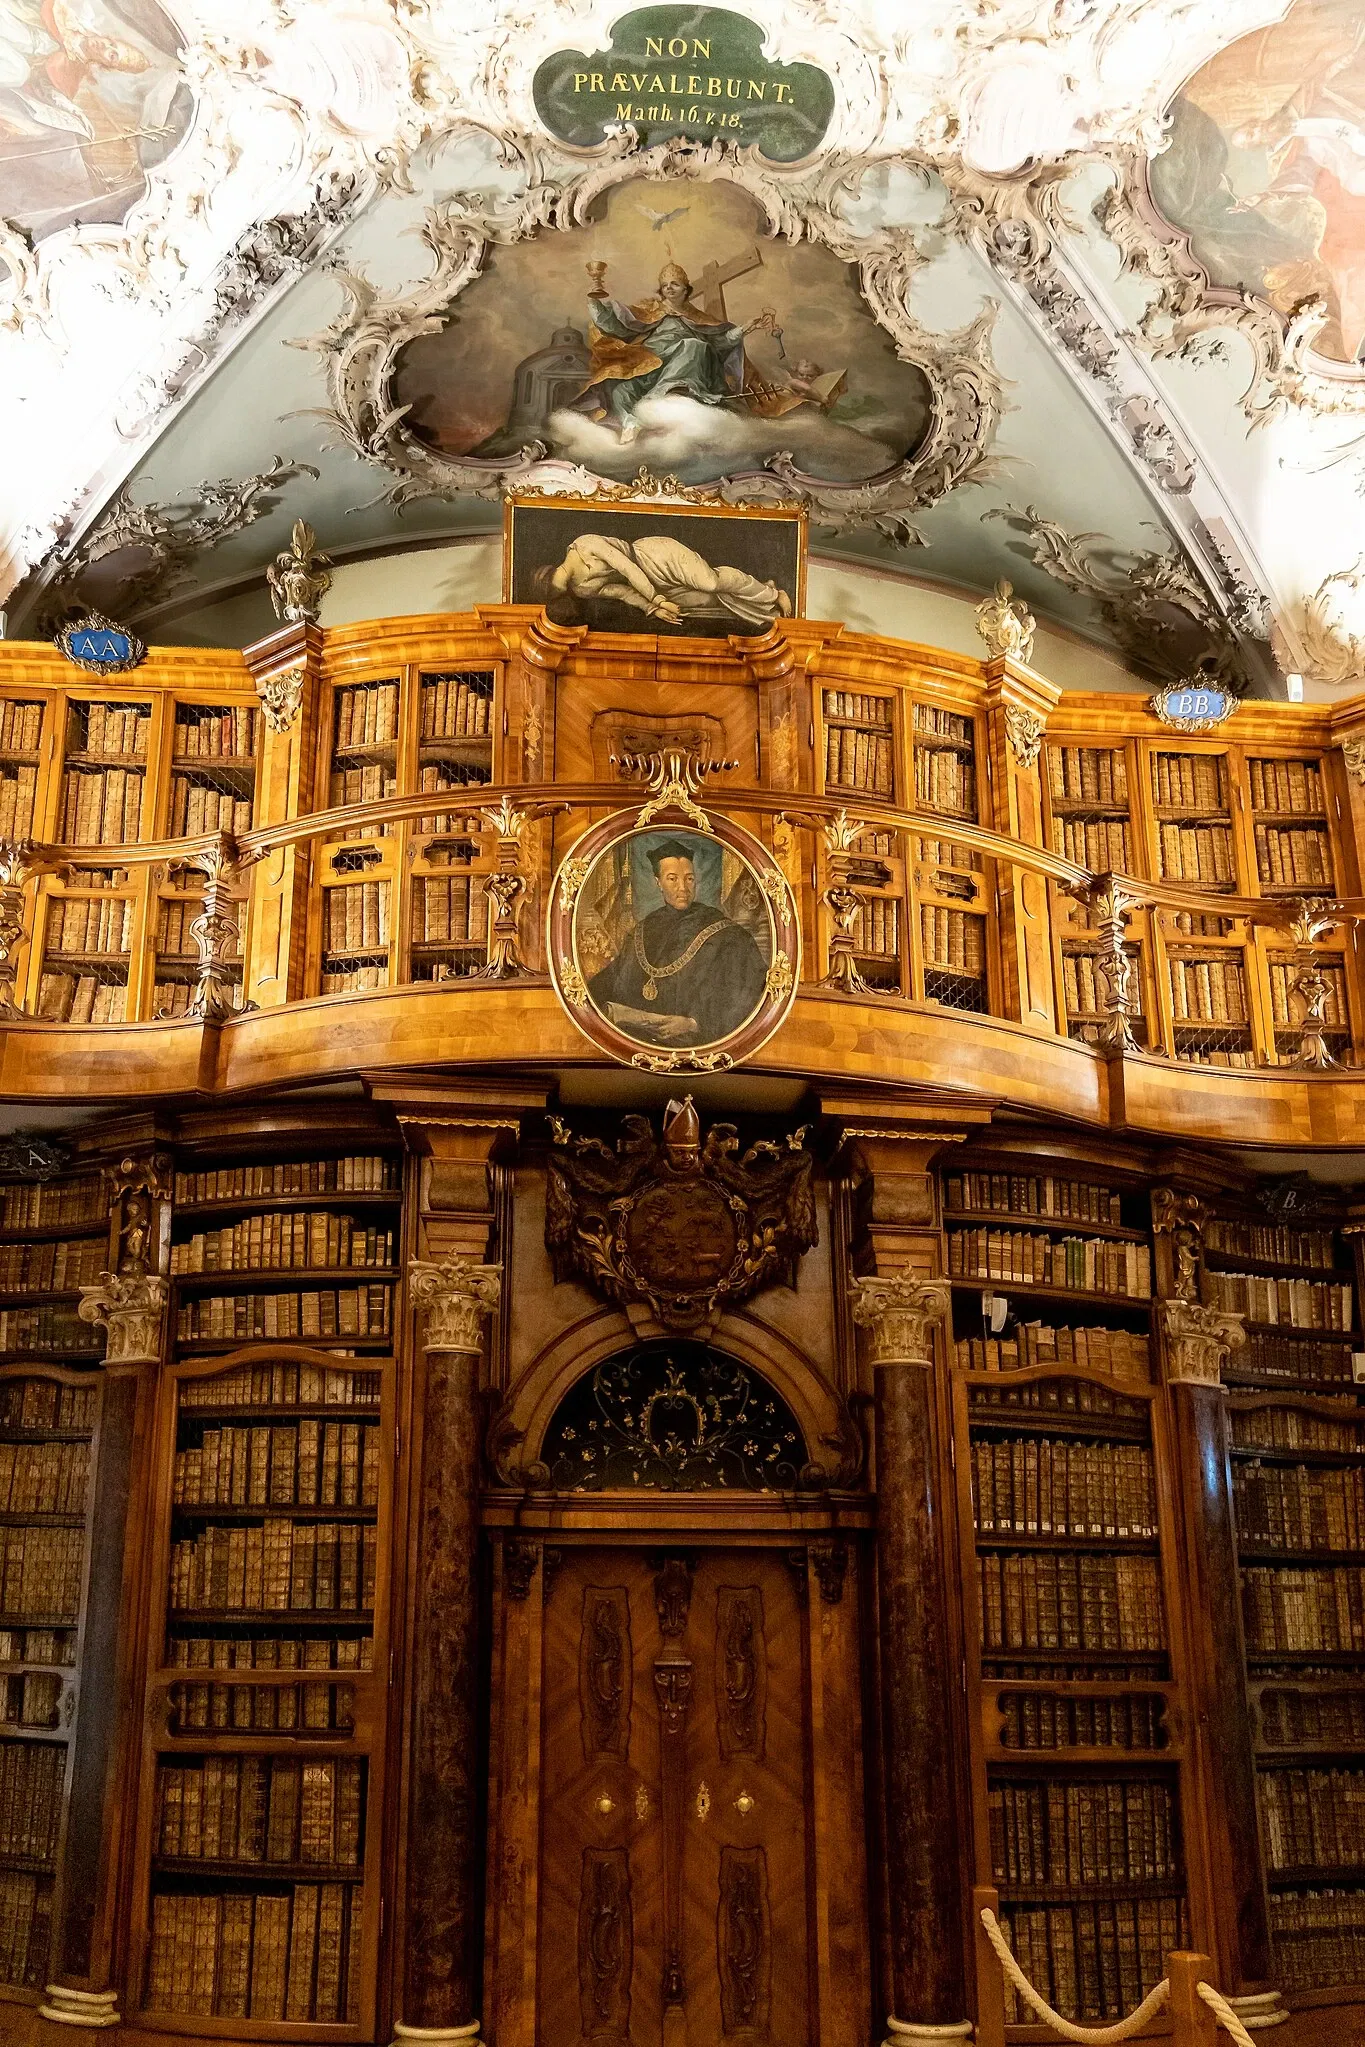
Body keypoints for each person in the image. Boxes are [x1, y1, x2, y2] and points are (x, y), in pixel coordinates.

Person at [588, 840, 768, 1047]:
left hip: (696, 1045)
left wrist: (694, 1023)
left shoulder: (728, 935)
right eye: (672, 879)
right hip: (637, 1042)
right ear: (658, 882)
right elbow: (616, 977)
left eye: (689, 879)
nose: (683, 888)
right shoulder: (642, 929)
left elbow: (746, 991)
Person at [581, 259, 777, 443]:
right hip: (653, 364)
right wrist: (594, 301)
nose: (669, 288)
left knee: (694, 346)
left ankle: (673, 392)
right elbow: (615, 325)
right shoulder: (650, 310)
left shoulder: (698, 318)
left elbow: (720, 344)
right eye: (665, 285)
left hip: (688, 366)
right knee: (621, 392)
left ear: (686, 289)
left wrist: (744, 329)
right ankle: (631, 424)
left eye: (674, 283)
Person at [532, 529, 792, 630]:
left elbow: (627, 567)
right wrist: (654, 607)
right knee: (706, 600)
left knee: (710, 582)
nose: (559, 586)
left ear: (551, 572)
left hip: (653, 555)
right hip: (650, 586)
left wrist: (656, 598)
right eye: (556, 590)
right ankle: (764, 601)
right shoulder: (581, 589)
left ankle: (773, 595)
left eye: (555, 581)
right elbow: (623, 592)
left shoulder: (585, 544)